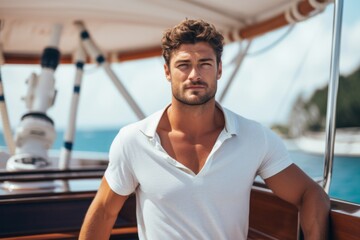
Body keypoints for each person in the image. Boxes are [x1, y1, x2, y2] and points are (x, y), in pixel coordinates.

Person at [79, 19, 330, 240]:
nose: (194, 74)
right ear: (167, 72)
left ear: (219, 69)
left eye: (205, 64)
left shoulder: (255, 137)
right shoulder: (134, 141)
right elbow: (103, 212)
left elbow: (310, 193)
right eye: (184, 65)